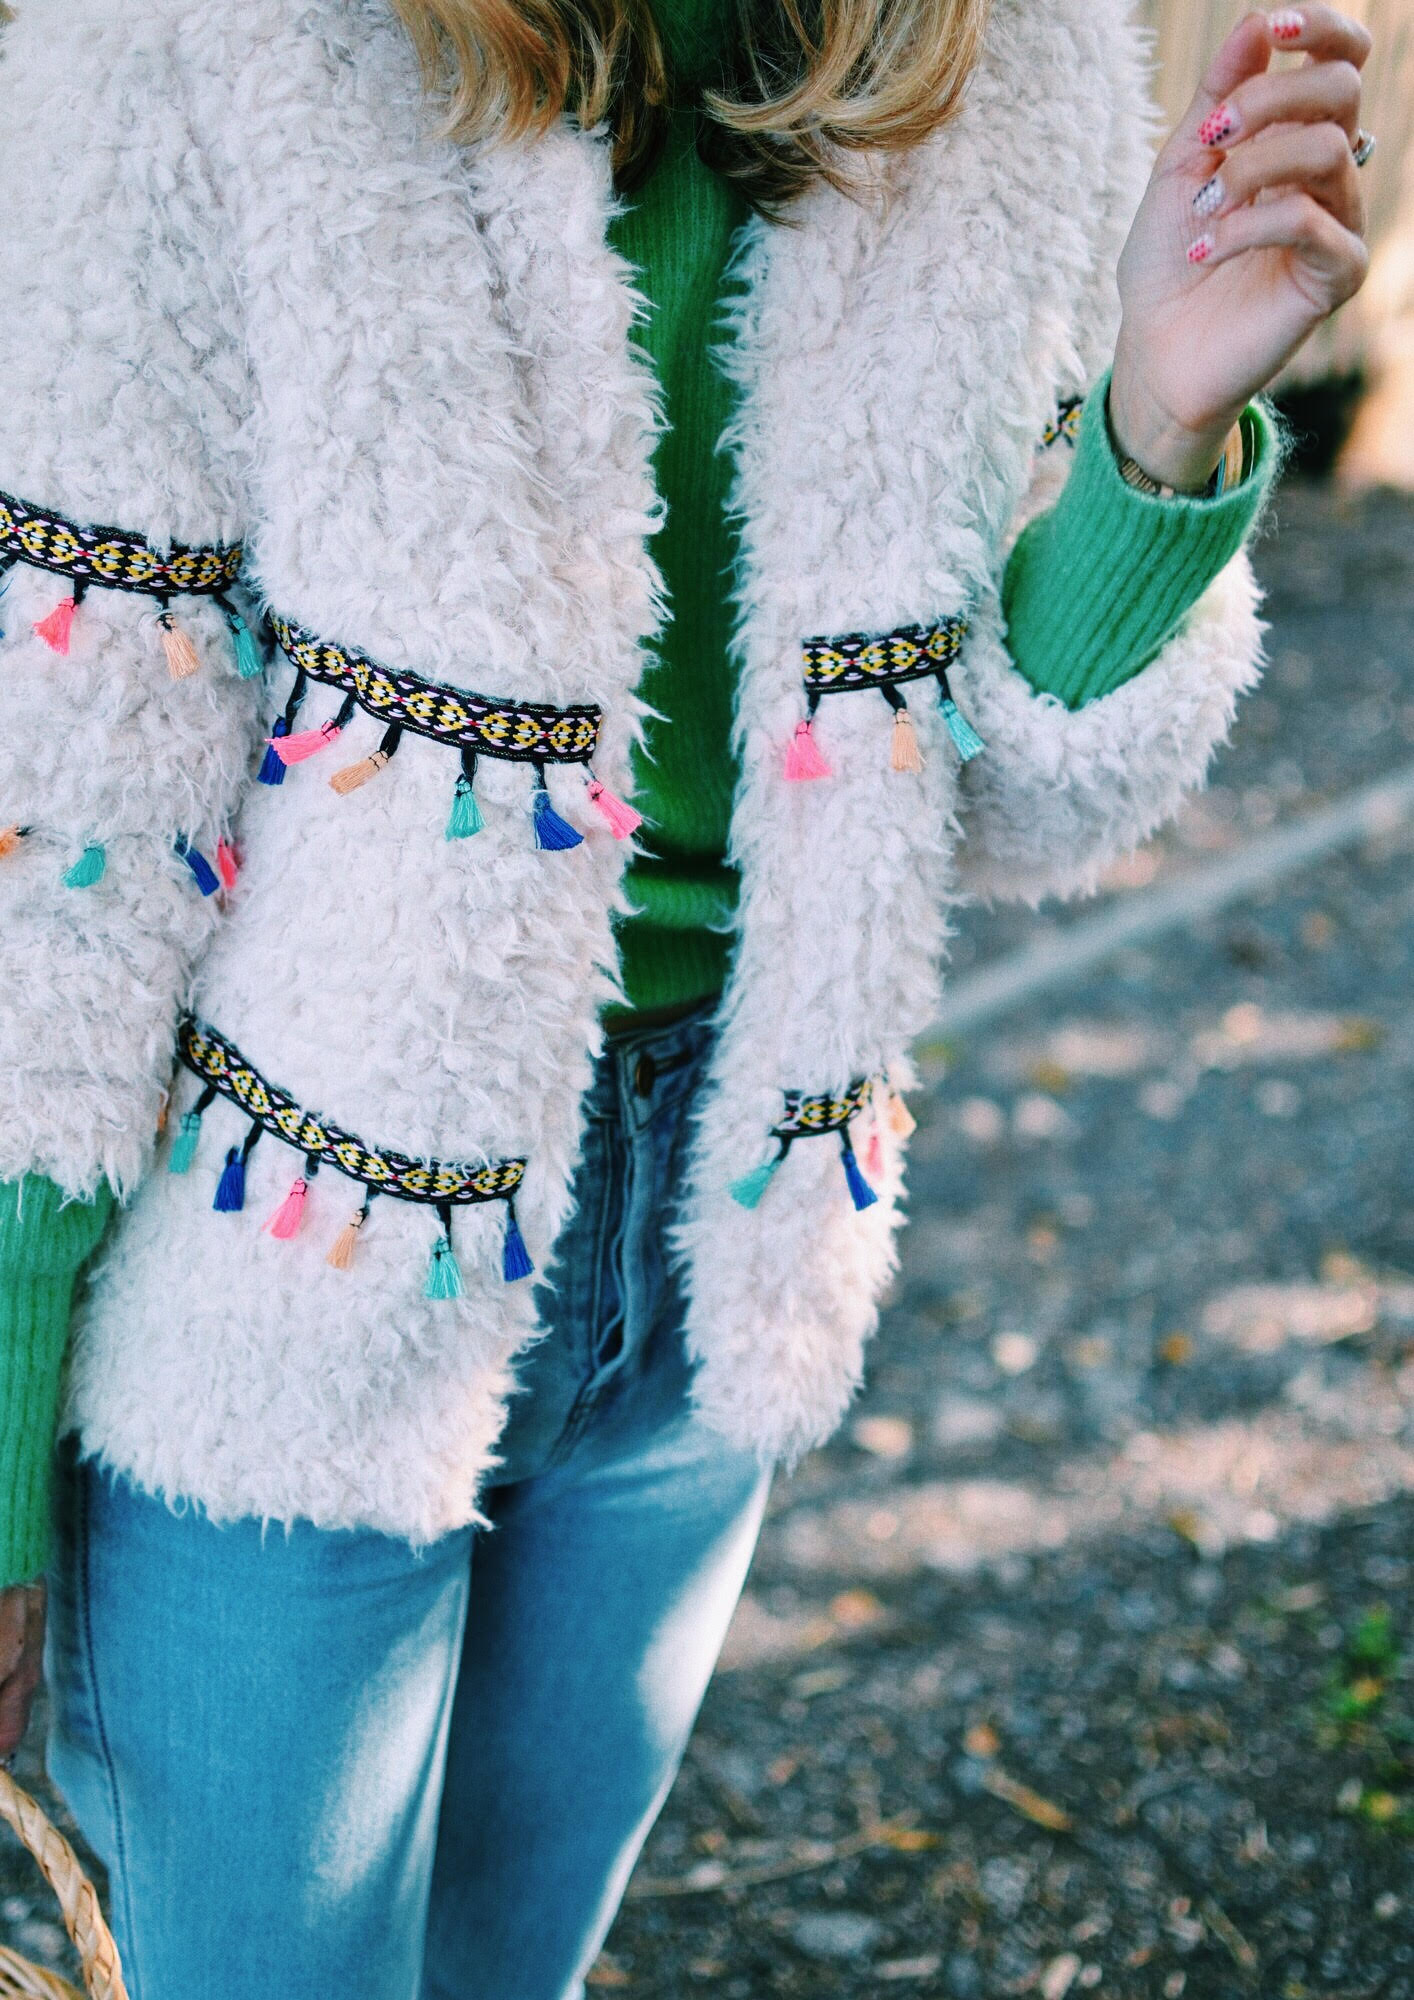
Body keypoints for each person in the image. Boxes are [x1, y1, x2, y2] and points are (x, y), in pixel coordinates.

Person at [0, 0, 1371, 1992]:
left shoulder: (1008, 42)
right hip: (268, 1267)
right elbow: (65, 793)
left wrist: (1154, 432)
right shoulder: (188, 33)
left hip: (722, 1227)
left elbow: (983, 791)